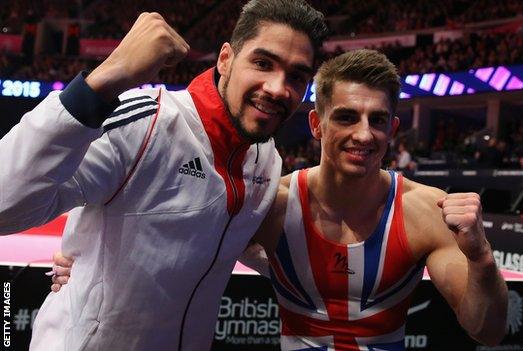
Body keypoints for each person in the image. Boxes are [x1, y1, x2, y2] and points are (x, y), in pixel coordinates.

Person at [56, 50, 509, 350]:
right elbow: (173, 241)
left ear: (393, 129)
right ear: (316, 125)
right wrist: (83, 264)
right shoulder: (270, 205)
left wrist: (482, 257)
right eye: (347, 117)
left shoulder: (425, 211)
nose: (364, 134)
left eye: (378, 120)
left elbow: (485, 330)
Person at [0, 0, 328, 350]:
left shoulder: (266, 159)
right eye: (263, 63)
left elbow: (230, 238)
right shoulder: (144, 126)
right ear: (225, 59)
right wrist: (104, 78)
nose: (278, 88)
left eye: (296, 76)